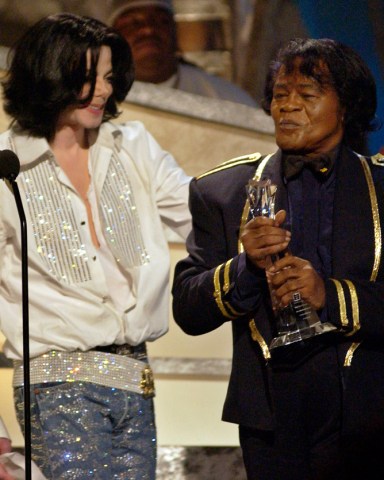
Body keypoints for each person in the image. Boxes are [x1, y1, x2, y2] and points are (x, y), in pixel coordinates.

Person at [172, 37, 384, 480]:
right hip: (270, 415)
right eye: (280, 96)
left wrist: (330, 294)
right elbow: (188, 309)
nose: (288, 107)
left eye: (307, 95)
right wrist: (244, 266)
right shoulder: (223, 191)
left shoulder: (380, 190)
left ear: (346, 106)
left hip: (369, 412)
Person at [0, 12, 191, 480]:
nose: (104, 90)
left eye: (108, 77)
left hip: (136, 383)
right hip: (57, 388)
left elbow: (203, 215)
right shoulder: (7, 167)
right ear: (50, 73)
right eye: (89, 77)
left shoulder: (133, 146)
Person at [108, 0, 258, 107]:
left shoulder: (228, 100)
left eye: (161, 21)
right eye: (133, 23)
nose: (148, 30)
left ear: (175, 34)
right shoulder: (96, 101)